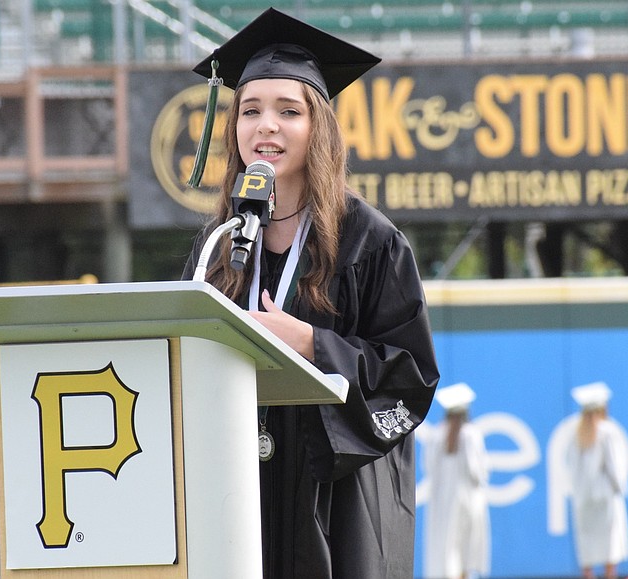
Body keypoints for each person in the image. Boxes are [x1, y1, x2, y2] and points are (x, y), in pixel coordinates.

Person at [181, 8, 440, 578]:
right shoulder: (219, 243)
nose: (265, 126)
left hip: (335, 495)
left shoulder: (369, 241)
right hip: (236, 482)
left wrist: (314, 346)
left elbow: (412, 378)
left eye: (288, 111)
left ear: (317, 126)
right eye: (250, 111)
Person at [423, 382, 490, 579]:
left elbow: (428, 467)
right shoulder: (471, 434)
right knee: (468, 542)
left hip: (443, 500)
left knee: (446, 542)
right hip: (468, 497)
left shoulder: (436, 434)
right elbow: (476, 471)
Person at [566, 382, 628, 579]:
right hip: (605, 496)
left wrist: (578, 491)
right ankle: (609, 576)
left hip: (583, 497)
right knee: (609, 540)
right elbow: (614, 466)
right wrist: (619, 487)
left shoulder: (576, 434)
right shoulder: (608, 431)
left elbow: (571, 467)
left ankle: (588, 576)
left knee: (587, 540)